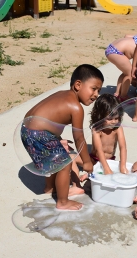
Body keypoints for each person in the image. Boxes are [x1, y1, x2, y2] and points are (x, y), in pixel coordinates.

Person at [20, 64, 103, 210]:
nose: (96, 94)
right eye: (94, 89)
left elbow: (49, 116)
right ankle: (63, 202)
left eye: (99, 90)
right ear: (78, 85)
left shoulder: (62, 93)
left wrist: (55, 138)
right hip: (38, 134)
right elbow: (79, 138)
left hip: (27, 128)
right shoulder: (76, 108)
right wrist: (86, 161)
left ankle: (49, 188)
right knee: (64, 164)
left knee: (54, 158)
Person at [78, 93, 128, 181]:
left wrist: (123, 166)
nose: (114, 121)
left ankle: (91, 174)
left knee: (113, 171)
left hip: (110, 160)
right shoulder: (97, 129)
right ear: (100, 116)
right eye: (110, 119)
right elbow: (99, 150)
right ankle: (89, 173)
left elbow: (122, 147)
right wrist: (106, 168)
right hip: (94, 159)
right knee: (73, 159)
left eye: (117, 118)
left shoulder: (118, 128)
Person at [105, 34, 137, 102]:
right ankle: (123, 97)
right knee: (129, 74)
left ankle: (117, 93)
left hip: (111, 47)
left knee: (125, 73)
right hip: (116, 52)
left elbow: (126, 36)